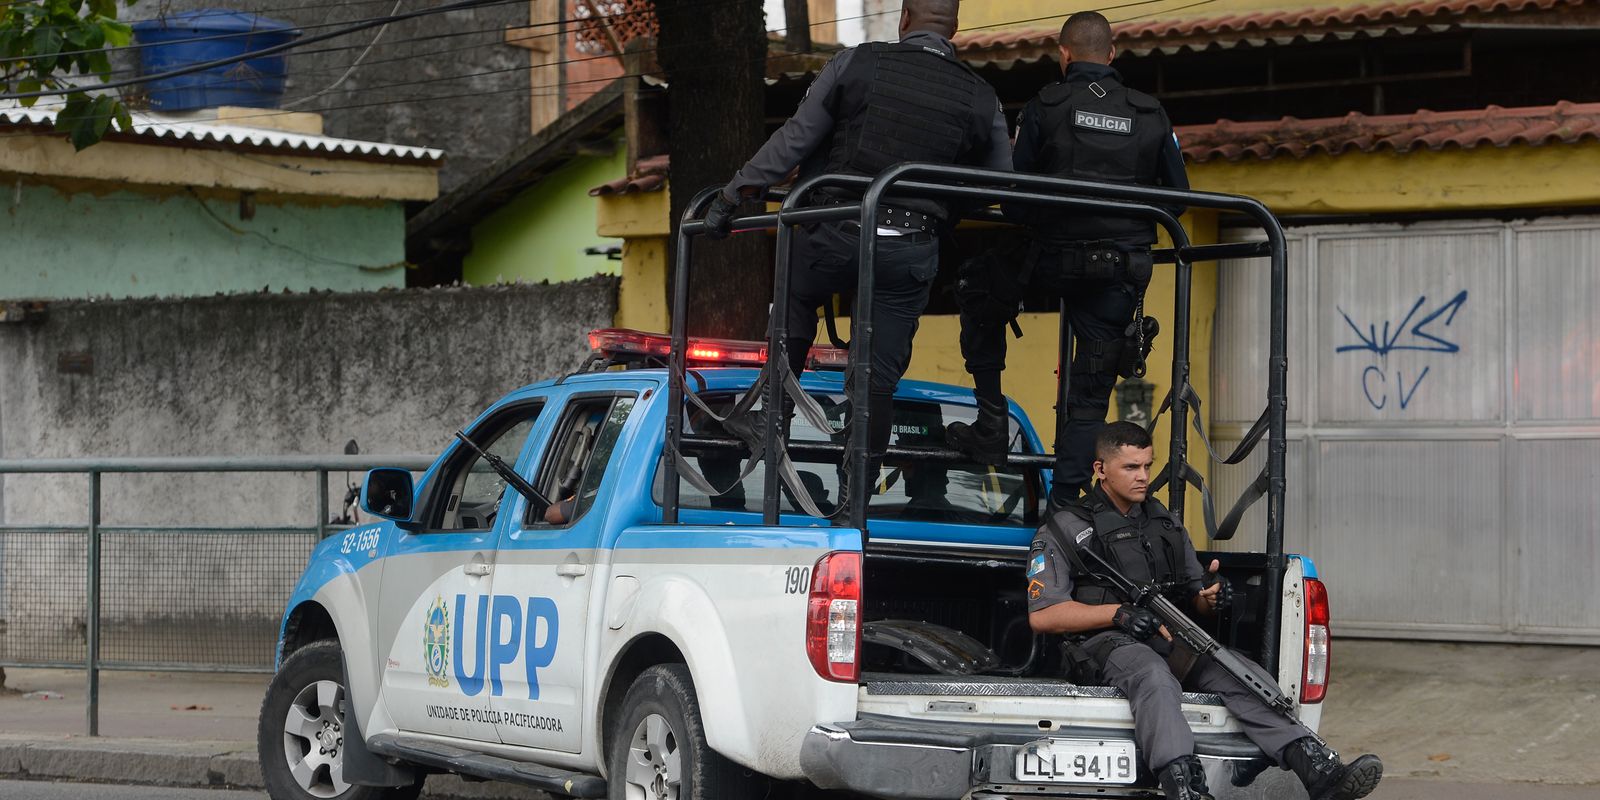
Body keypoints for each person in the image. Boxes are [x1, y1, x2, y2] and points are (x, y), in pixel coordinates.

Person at [704, 0, 1011, 467]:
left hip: (838, 231)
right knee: (879, 378)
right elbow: (998, 185)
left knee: (796, 293)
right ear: (955, 28)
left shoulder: (861, 61)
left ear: (905, 18)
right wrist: (943, 207)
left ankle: (772, 416)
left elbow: (795, 139)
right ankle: (856, 500)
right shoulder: (981, 96)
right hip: (911, 247)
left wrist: (732, 194)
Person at [1027, 422, 1383, 800]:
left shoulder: (1162, 523)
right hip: (1106, 642)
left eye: (1147, 466)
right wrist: (1117, 613)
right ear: (1100, 470)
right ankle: (1184, 785)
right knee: (1154, 677)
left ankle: (1318, 770)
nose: (1143, 477)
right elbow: (1044, 615)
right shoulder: (1066, 529)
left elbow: (1195, 592)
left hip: (1170, 635)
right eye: (1131, 468)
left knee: (1239, 674)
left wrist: (1212, 598)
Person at [947, 10, 1187, 506]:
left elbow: (1015, 196)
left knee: (978, 289)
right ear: (1113, 54)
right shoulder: (1149, 113)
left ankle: (991, 419)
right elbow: (1178, 198)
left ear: (1063, 54)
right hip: (1120, 269)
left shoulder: (1045, 105)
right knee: (1089, 397)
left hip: (1051, 260)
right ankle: (1065, 505)